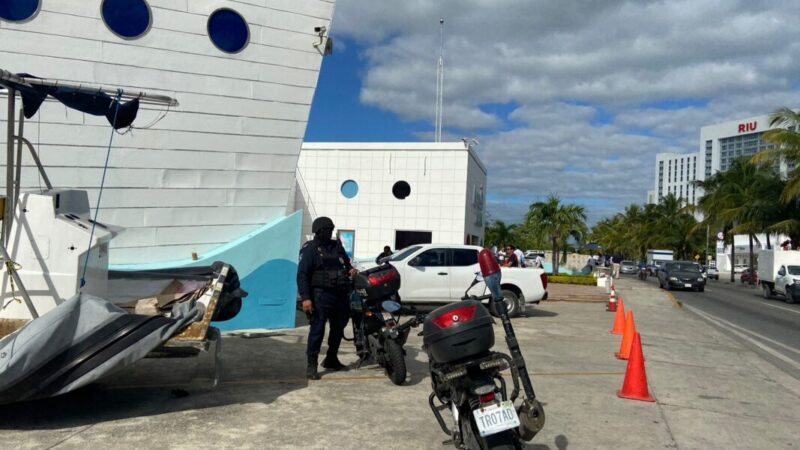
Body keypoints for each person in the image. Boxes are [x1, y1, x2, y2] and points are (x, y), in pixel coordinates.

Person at [297, 216, 359, 380]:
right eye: (327, 230)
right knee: (317, 330)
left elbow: (347, 264)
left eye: (331, 229)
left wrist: (351, 270)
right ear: (319, 231)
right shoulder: (310, 249)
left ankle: (331, 358)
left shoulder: (336, 246)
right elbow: (302, 275)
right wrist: (306, 298)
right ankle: (312, 365)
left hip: (340, 294)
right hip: (320, 296)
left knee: (338, 327)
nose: (330, 232)